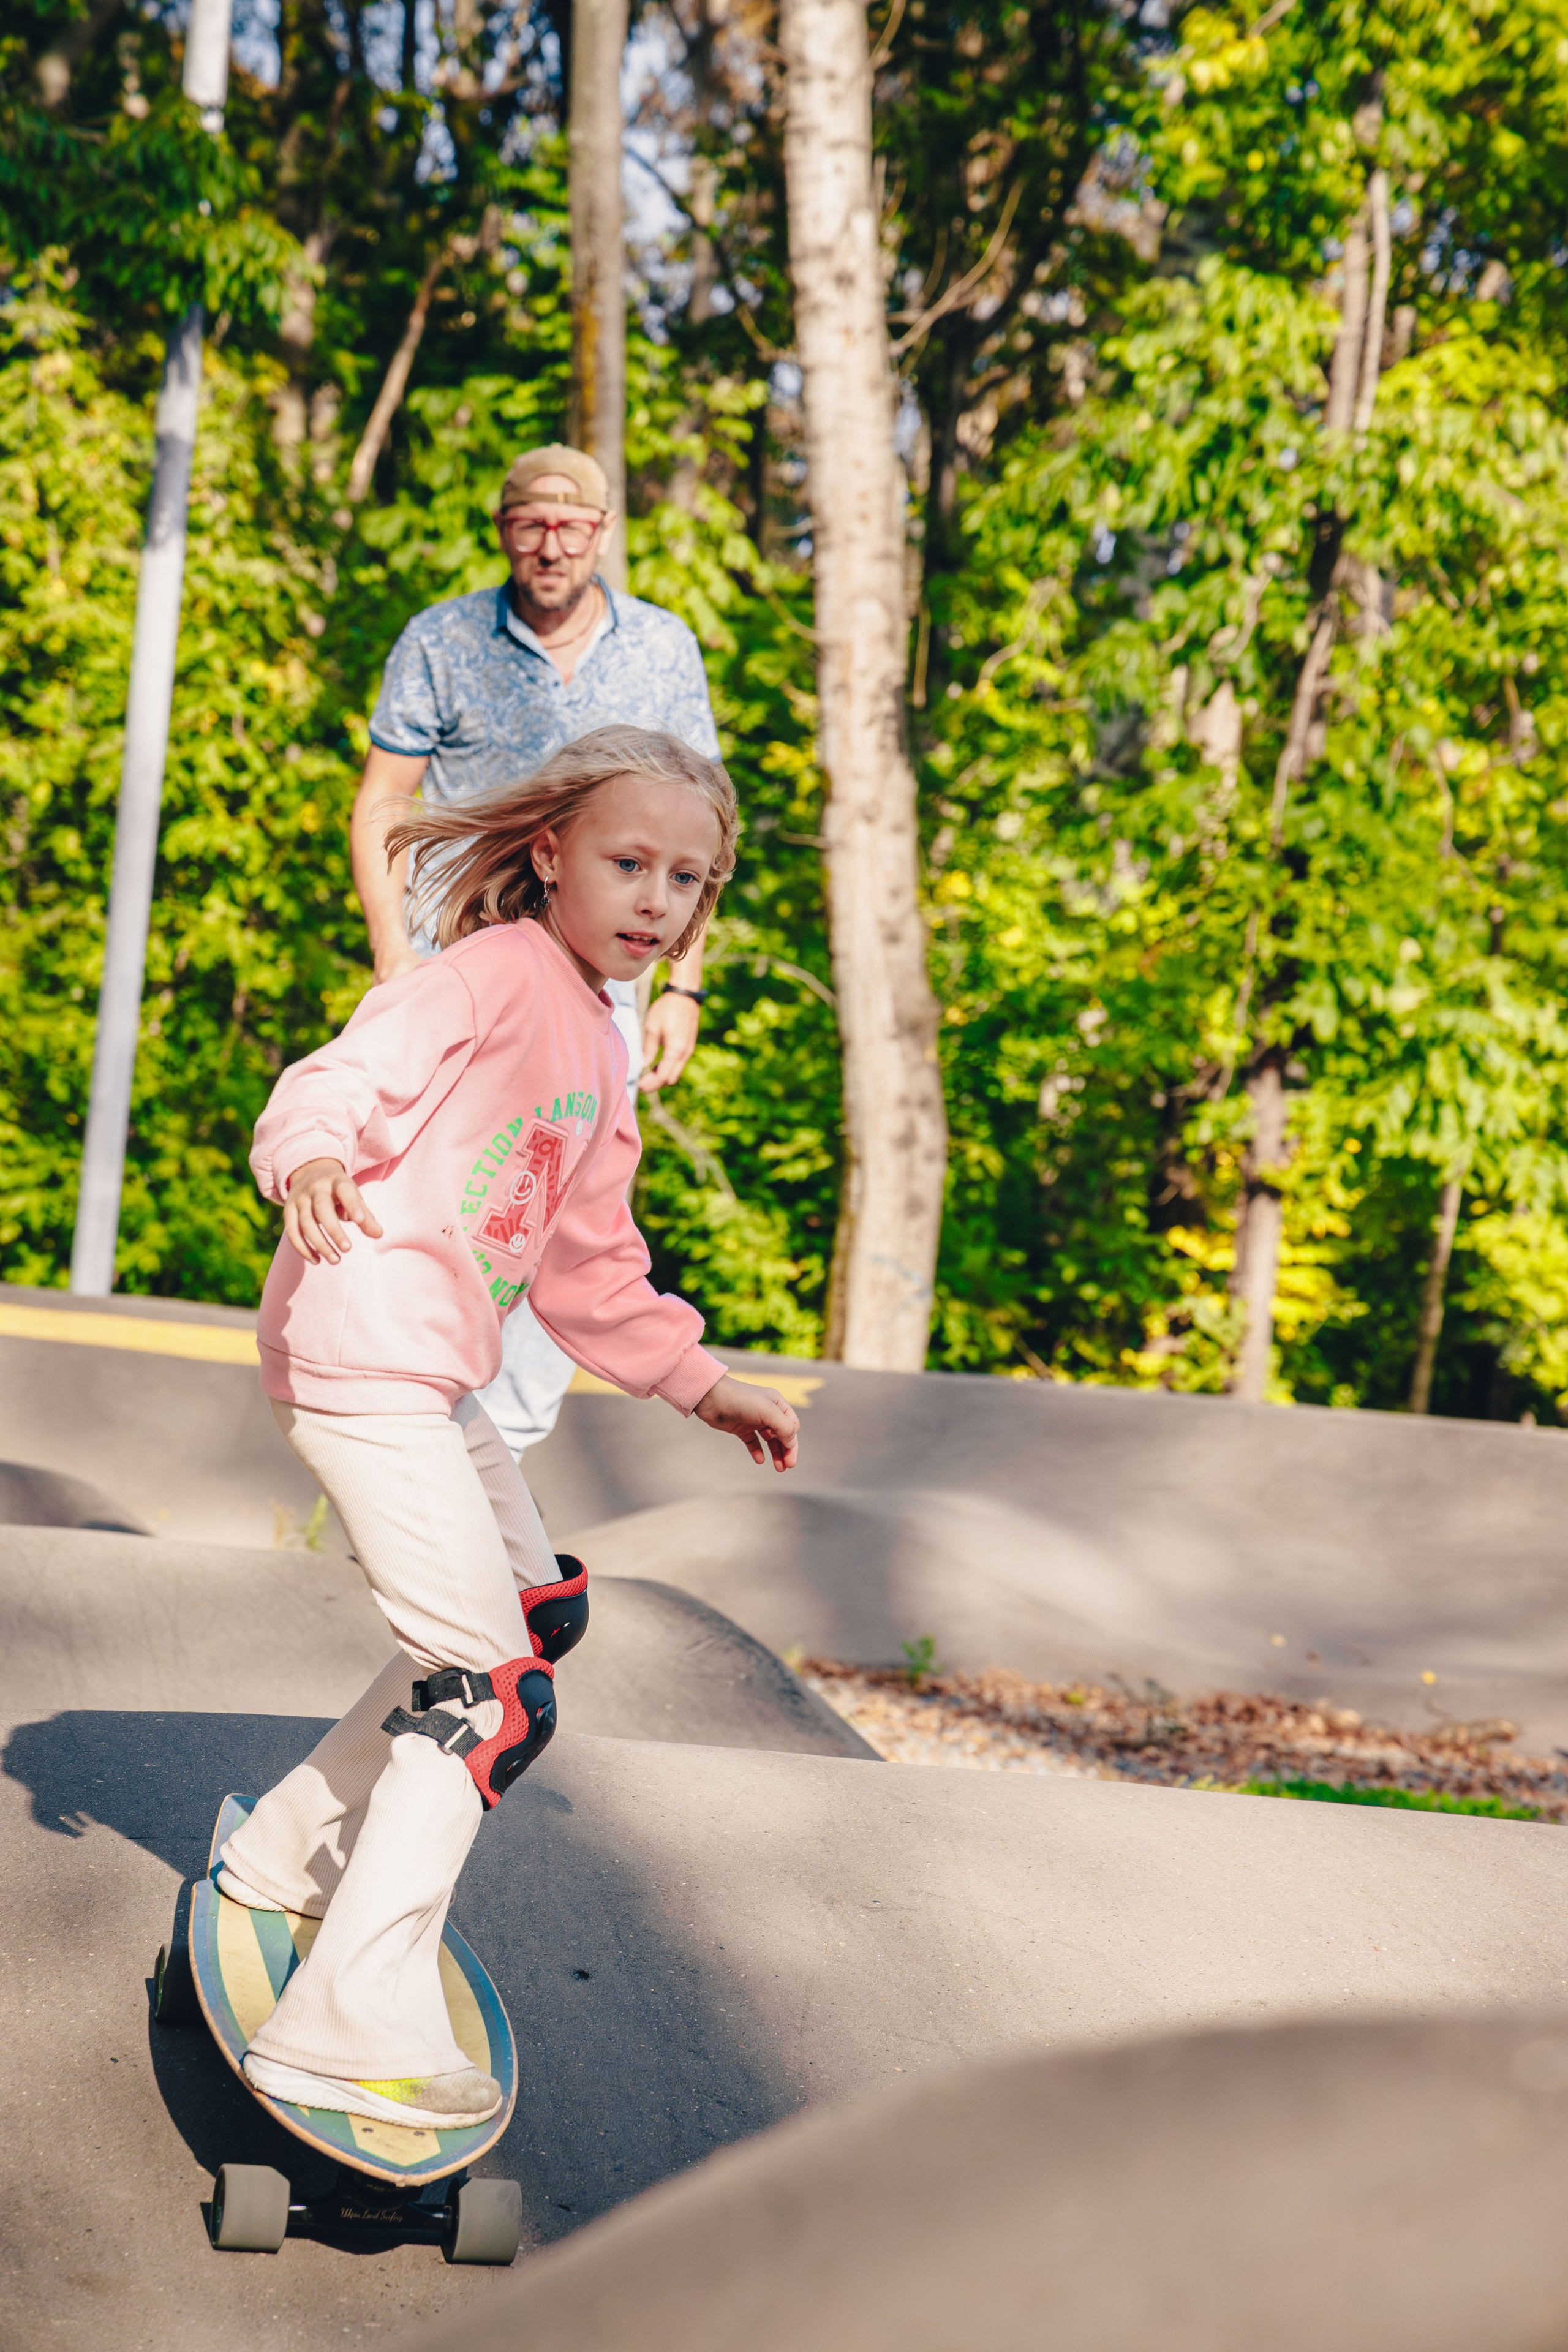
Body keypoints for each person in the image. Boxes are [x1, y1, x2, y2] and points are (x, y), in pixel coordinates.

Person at [220, 725, 799, 2126]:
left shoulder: (603, 1050)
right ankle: (345, 2022)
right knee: (492, 1695)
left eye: (686, 880)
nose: (657, 901)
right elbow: (334, 1080)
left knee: (535, 1622)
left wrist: (697, 1379)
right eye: (628, 864)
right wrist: (305, 1160)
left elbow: (592, 1267)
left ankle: (292, 1854)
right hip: (362, 1356)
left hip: (437, 1375)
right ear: (548, 855)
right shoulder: (483, 976)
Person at [352, 439, 719, 1455]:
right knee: (424, 1184)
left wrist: (680, 988)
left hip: (596, 976)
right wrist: (395, 952)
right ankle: (392, 1409)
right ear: (505, 530)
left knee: (551, 1195)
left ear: (602, 534)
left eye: (571, 527)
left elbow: (700, 831)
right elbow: (385, 800)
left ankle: (500, 1451)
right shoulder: (443, 639)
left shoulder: (661, 649)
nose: (550, 545)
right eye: (529, 525)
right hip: (458, 962)